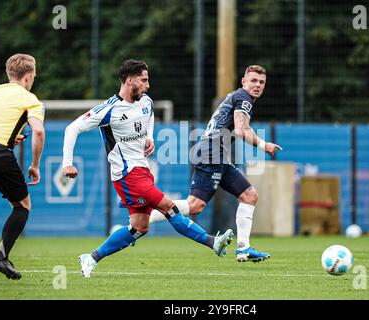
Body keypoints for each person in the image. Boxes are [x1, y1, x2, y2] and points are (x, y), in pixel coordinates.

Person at [62, 59, 233, 277]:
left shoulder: (146, 102)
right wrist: (67, 162)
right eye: (144, 80)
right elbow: (72, 128)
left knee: (140, 227)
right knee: (169, 207)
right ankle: (213, 242)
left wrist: (149, 137)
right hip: (127, 175)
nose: (148, 85)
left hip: (143, 171)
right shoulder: (109, 109)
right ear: (130, 80)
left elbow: (149, 115)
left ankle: (91, 257)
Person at [150, 65, 282, 262]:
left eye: (261, 82)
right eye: (253, 80)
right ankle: (148, 215)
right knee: (195, 206)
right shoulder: (243, 98)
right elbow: (241, 129)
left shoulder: (238, 97)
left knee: (249, 195)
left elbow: (242, 127)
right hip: (212, 152)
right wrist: (264, 145)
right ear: (243, 82)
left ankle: (243, 249)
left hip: (216, 153)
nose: (257, 85)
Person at [0, 53, 45, 279]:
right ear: (29, 77)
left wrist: (11, 138)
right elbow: (38, 131)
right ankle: (2, 257)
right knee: (22, 206)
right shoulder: (30, 98)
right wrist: (35, 165)